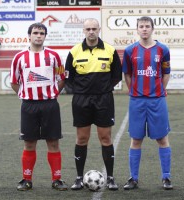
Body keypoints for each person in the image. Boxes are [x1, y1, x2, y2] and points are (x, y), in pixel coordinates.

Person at [65, 18, 122, 191]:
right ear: (83, 30)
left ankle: (111, 178)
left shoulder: (110, 50)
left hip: (103, 100)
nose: (91, 31)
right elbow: (68, 78)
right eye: (88, 29)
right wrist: (81, 91)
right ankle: (79, 178)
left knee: (105, 137)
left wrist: (104, 89)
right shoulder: (74, 51)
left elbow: (117, 75)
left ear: (99, 29)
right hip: (81, 101)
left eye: (94, 29)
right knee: (82, 138)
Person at [10, 22, 68, 191]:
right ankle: (26, 179)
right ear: (29, 36)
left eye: (41, 33)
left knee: (53, 143)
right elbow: (14, 82)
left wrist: (53, 93)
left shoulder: (54, 56)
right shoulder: (19, 57)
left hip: (50, 105)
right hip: (29, 106)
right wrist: (25, 95)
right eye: (35, 32)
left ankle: (57, 180)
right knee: (29, 143)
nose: (38, 35)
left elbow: (62, 78)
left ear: (45, 36)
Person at [122, 16, 173, 190]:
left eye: (147, 26)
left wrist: (158, 90)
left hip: (157, 101)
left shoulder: (162, 49)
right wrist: (134, 91)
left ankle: (166, 178)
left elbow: (166, 73)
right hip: (137, 101)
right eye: (141, 26)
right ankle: (133, 178)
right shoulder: (130, 51)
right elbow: (127, 75)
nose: (144, 29)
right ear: (137, 29)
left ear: (152, 28)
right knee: (136, 139)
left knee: (162, 138)